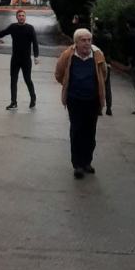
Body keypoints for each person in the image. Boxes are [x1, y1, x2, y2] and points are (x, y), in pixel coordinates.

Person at [54, 28, 107, 178]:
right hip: (74, 100)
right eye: (83, 40)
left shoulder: (97, 55)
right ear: (76, 42)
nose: (87, 43)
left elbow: (103, 75)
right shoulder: (68, 55)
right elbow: (59, 74)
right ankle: (77, 164)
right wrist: (69, 87)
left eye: (89, 40)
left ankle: (87, 161)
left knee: (90, 132)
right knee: (77, 130)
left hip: (92, 100)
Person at [0, 8, 39, 109]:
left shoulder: (30, 28)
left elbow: (35, 43)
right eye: (19, 16)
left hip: (26, 60)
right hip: (15, 59)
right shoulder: (13, 27)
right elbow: (1, 33)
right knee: (13, 80)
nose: (21, 17)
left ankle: (33, 98)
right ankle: (13, 102)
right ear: (16, 17)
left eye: (23, 16)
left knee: (27, 79)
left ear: (25, 17)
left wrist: (36, 56)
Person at [91, 19, 113, 116]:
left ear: (97, 26)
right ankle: (109, 107)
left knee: (97, 83)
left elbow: (93, 49)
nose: (93, 26)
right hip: (107, 60)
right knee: (107, 85)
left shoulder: (95, 37)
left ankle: (98, 107)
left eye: (94, 25)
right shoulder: (109, 36)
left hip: (98, 61)